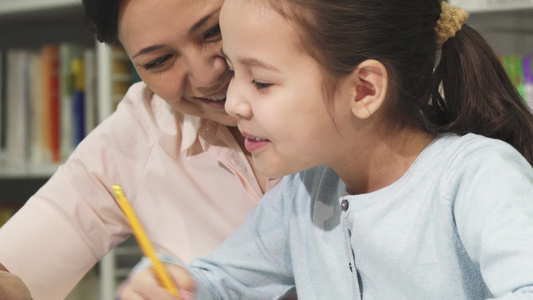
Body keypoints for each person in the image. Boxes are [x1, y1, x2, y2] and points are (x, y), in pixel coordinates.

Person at [159, 0, 533, 299]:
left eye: (260, 81)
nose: (233, 104)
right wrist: (178, 285)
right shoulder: (302, 193)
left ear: (364, 90)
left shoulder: (476, 177)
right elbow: (224, 281)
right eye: (232, 70)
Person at [0, 0, 281, 299]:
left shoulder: (329, 113)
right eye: (159, 61)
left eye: (214, 31)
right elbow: (13, 266)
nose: (205, 75)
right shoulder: (139, 134)